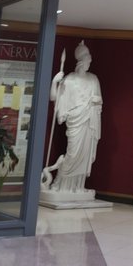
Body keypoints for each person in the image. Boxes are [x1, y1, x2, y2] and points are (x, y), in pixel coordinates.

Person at [43, 41, 103, 195]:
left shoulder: (94, 79)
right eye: (88, 60)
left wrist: (95, 102)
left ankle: (78, 186)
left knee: (84, 155)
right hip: (75, 121)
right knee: (72, 154)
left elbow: (99, 101)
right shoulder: (69, 79)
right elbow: (54, 99)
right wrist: (54, 82)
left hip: (89, 122)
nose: (90, 63)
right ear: (82, 61)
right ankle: (59, 184)